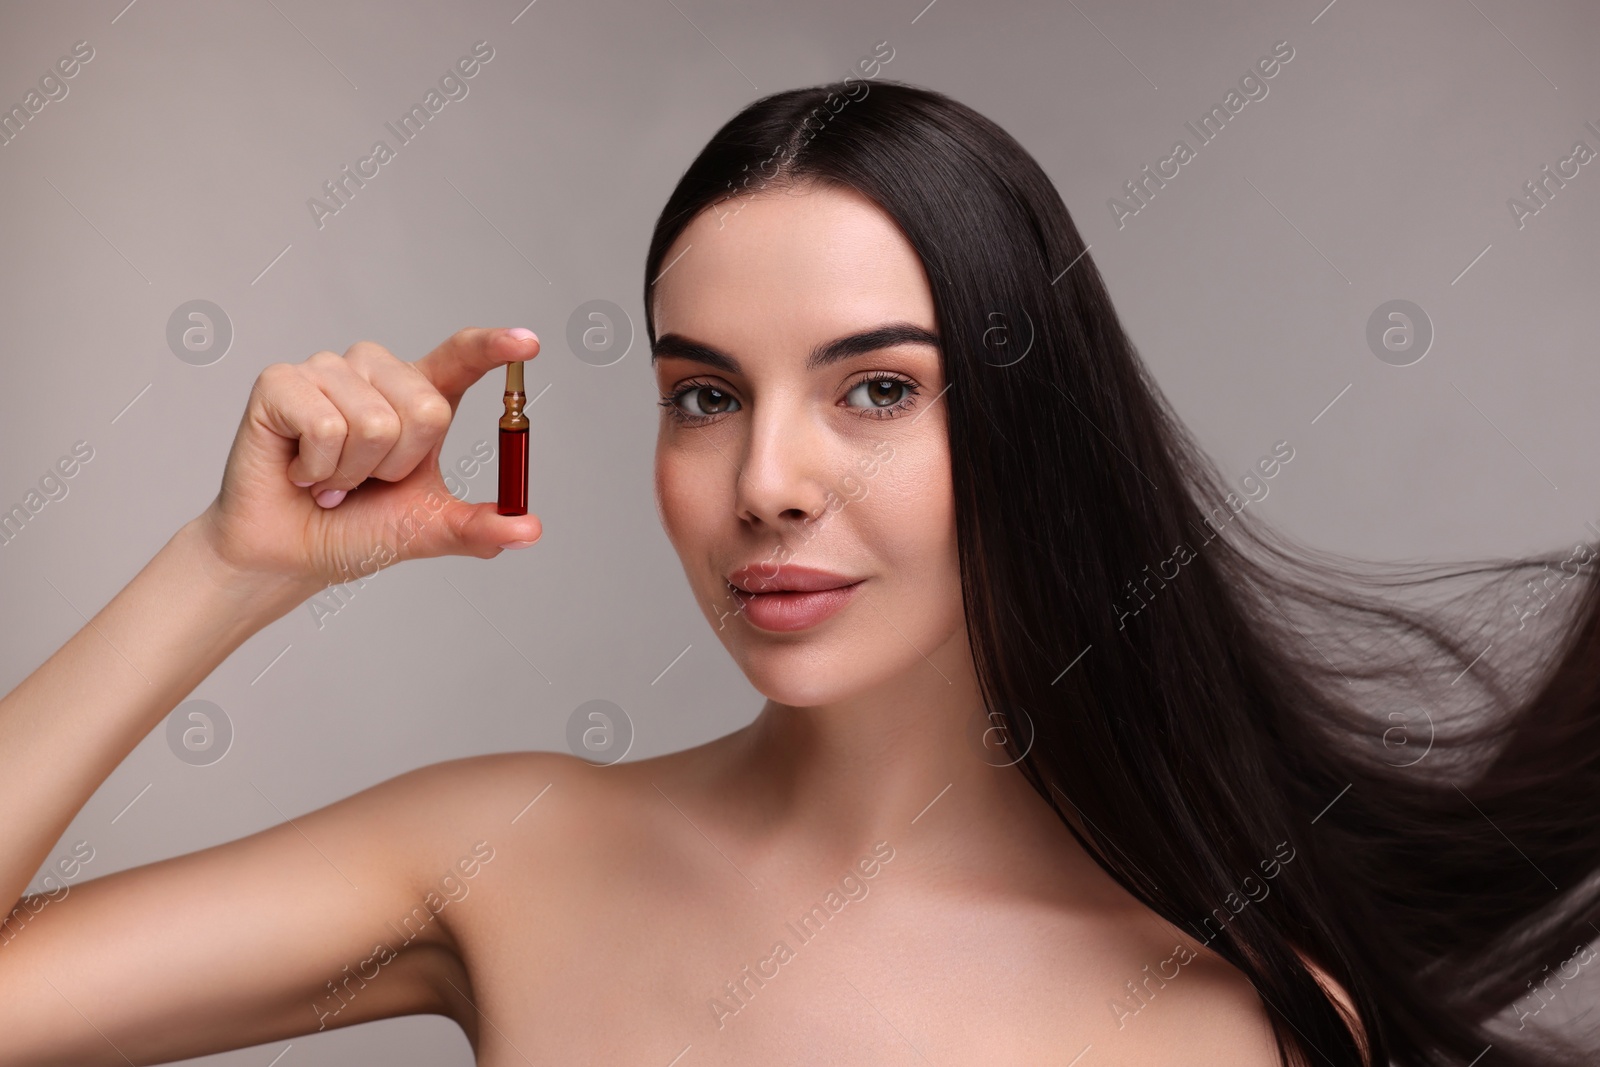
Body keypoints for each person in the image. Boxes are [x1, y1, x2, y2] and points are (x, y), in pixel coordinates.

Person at [2, 78, 1596, 1067]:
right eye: (705, 397)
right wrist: (228, 569)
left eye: (878, 391)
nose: (765, 483)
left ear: (1032, 427)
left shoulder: (1245, 1009)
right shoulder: (505, 854)